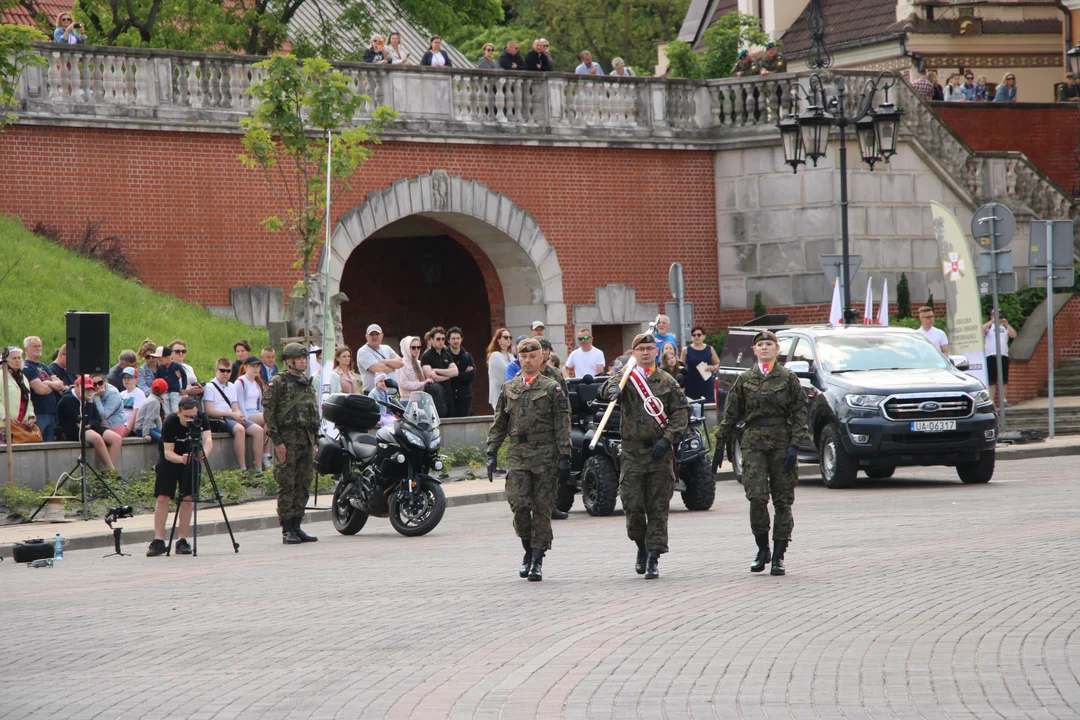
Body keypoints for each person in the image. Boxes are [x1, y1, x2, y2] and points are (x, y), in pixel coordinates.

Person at [714, 330, 809, 576]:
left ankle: (779, 554)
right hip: (753, 442)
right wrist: (720, 442)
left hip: (781, 442)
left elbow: (800, 413)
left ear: (778, 350)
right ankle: (762, 548)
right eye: (760, 345)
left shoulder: (788, 378)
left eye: (769, 344)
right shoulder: (744, 379)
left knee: (783, 500)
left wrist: (795, 445)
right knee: (756, 497)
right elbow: (731, 413)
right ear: (754, 350)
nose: (765, 348)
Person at [600, 333, 688, 579]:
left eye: (651, 348)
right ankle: (640, 546)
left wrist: (667, 439)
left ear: (656, 353)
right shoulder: (627, 378)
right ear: (634, 353)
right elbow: (608, 385)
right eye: (642, 349)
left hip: (659, 453)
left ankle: (653, 557)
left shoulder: (668, 381)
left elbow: (681, 413)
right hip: (632, 453)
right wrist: (610, 391)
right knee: (633, 505)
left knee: (658, 507)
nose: (646, 353)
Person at [486, 338, 571, 582]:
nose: (528, 360)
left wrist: (565, 455)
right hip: (518, 454)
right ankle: (527, 549)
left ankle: (537, 559)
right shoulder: (509, 387)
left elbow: (562, 423)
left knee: (542, 508)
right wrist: (492, 452)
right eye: (523, 356)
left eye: (532, 356)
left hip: (545, 454)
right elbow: (500, 422)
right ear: (518, 358)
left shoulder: (551, 387)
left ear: (541, 358)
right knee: (520, 506)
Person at [264, 343, 321, 544]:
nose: (303, 361)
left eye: (305, 358)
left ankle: (297, 525)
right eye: (299, 358)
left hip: (305, 440)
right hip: (287, 441)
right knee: (287, 484)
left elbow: (313, 411)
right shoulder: (278, 382)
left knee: (304, 483)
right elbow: (269, 415)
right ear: (289, 361)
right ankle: (287, 529)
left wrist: (314, 440)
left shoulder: (306, 382)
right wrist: (277, 442)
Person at [146, 397, 212, 556]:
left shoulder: (201, 418)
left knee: (188, 499)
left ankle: (182, 540)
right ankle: (159, 540)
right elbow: (168, 452)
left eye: (193, 416)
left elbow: (208, 439)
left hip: (192, 459)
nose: (191, 420)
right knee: (163, 497)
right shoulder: (170, 421)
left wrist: (204, 454)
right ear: (179, 412)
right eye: (186, 417)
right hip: (171, 460)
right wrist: (181, 459)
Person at [204, 358, 264, 472]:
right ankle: (242, 468)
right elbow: (209, 411)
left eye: (228, 371)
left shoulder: (231, 386)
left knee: (258, 430)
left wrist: (239, 414)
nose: (225, 374)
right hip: (219, 418)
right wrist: (232, 414)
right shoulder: (210, 387)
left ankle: (258, 467)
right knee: (240, 430)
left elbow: (235, 406)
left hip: (232, 416)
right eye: (222, 370)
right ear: (216, 370)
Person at [56, 377, 121, 469]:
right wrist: (89, 403)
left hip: (89, 426)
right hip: (73, 429)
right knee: (96, 438)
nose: (87, 392)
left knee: (116, 438)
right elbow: (82, 420)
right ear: (77, 386)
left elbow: (97, 419)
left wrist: (90, 424)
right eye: (85, 389)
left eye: (90, 390)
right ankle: (112, 471)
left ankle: (106, 472)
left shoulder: (89, 398)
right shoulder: (67, 400)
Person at [22, 336, 66, 442]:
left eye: (39, 346)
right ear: (26, 349)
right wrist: (52, 385)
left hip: (51, 414)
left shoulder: (44, 367)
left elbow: (60, 385)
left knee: (48, 446)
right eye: (34, 346)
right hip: (38, 414)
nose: (38, 348)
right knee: (36, 444)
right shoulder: (26, 367)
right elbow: (40, 390)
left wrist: (46, 383)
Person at [2, 347, 42, 444]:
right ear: (6, 360)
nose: (17, 361)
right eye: (14, 358)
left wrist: (31, 417)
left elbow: (28, 399)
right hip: (4, 424)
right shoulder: (1, 376)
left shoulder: (23, 378)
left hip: (21, 424)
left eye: (19, 358)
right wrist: (5, 415)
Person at [421, 326, 458, 415]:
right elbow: (432, 377)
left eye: (443, 339)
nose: (441, 341)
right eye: (438, 339)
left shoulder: (446, 354)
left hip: (448, 393)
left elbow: (456, 372)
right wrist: (449, 375)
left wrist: (436, 370)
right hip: (435, 396)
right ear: (432, 340)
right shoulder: (426, 356)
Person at [983, 311, 1017, 407]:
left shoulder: (1004, 327)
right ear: (991, 316)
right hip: (991, 356)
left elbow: (1013, 335)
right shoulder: (989, 327)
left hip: (1003, 356)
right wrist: (991, 321)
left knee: (1004, 380)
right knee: (991, 381)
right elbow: (981, 330)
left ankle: (1004, 400)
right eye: (995, 315)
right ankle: (992, 401)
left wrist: (1006, 324)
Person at [681, 326, 721, 405]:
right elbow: (681, 367)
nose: (696, 336)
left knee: (707, 407)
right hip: (691, 385)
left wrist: (712, 367)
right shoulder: (686, 350)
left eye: (699, 335)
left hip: (706, 384)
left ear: (704, 336)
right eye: (694, 335)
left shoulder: (709, 349)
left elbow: (719, 364)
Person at [358, 324, 403, 392]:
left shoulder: (386, 348)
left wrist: (385, 361)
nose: (375, 336)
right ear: (366, 336)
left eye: (377, 334)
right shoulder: (363, 351)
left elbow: (401, 363)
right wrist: (394, 366)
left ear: (382, 335)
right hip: (374, 395)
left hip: (391, 395)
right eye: (372, 334)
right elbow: (379, 370)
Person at [447, 327, 476, 417]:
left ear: (461, 339)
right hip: (449, 397)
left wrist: (454, 374)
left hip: (465, 397)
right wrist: (463, 374)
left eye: (458, 338)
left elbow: (471, 376)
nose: (456, 341)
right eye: (453, 338)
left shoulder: (467, 356)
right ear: (448, 340)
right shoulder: (445, 356)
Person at [93, 373, 129, 440]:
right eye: (94, 384)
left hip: (114, 426)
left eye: (100, 383)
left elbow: (104, 415)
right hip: (100, 426)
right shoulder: (91, 390)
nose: (97, 386)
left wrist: (96, 397)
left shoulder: (113, 393)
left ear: (104, 382)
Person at [486, 328, 514, 410]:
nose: (508, 339)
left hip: (511, 395)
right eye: (505, 337)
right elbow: (508, 372)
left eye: (510, 337)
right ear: (498, 339)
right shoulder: (495, 355)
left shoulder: (511, 356)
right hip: (499, 396)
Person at [135, 378, 169, 443]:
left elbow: (157, 417)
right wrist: (145, 434)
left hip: (149, 427)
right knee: (163, 441)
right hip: (142, 429)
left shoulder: (153, 399)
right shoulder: (154, 402)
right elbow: (148, 418)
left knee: (167, 437)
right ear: (164, 391)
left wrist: (161, 430)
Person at [155, 345, 187, 414]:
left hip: (174, 390)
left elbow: (184, 376)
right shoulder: (160, 368)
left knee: (175, 408)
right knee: (166, 409)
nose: (159, 362)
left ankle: (175, 419)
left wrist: (183, 388)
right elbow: (157, 379)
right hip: (164, 392)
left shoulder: (176, 366)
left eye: (161, 360)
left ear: (169, 358)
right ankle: (168, 419)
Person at [397, 336, 429, 404]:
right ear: (407, 348)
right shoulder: (401, 364)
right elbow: (404, 384)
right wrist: (423, 384)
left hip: (420, 400)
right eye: (413, 347)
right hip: (407, 401)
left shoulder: (419, 363)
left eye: (419, 347)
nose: (416, 350)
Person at [119, 367, 146, 435]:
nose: (126, 380)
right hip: (120, 425)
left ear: (136, 379)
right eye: (124, 378)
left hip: (132, 428)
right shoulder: (121, 394)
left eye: (129, 378)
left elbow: (136, 413)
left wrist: (128, 429)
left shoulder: (139, 393)